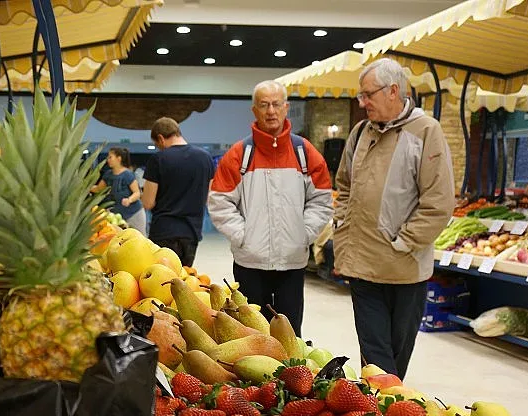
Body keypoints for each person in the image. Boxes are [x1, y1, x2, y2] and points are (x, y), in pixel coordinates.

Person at [333, 58, 455, 380]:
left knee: (396, 357)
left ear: (393, 91)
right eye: (361, 96)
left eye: (368, 95)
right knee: (374, 358)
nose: (363, 103)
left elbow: (439, 202)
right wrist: (342, 227)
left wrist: (402, 243)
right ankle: (376, 413)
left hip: (405, 269)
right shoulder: (360, 133)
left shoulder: (426, 131)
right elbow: (343, 185)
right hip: (362, 267)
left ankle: (389, 413)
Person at [208, 81, 333, 336]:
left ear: (286, 107)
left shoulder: (305, 153)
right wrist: (245, 237)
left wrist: (303, 234)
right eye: (264, 105)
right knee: (250, 333)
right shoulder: (238, 155)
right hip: (249, 263)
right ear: (254, 110)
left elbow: (321, 200)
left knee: (290, 333)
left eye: (276, 104)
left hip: (292, 263)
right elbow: (219, 202)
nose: (271, 111)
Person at [141, 117, 215, 267]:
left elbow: (148, 203)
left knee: (160, 282)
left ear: (160, 138)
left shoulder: (158, 159)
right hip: (191, 232)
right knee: (184, 280)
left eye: (157, 145)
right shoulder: (205, 158)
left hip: (163, 231)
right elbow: (210, 197)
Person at [91, 147, 145, 235]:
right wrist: (85, 187)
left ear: (118, 158)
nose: (108, 160)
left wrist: (129, 200)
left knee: (140, 237)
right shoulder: (108, 174)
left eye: (110, 157)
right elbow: (98, 189)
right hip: (117, 215)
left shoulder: (128, 174)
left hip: (133, 213)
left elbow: (137, 193)